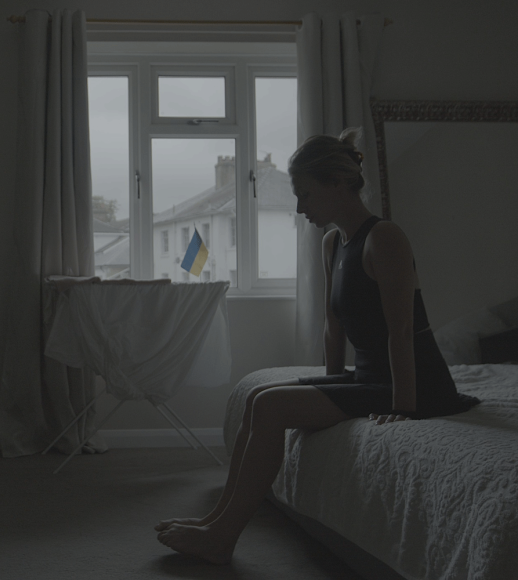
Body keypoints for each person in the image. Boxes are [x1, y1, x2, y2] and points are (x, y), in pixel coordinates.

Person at [154, 128, 480, 564]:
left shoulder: (385, 237)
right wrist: (326, 392)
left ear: (338, 184)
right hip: (368, 377)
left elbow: (401, 331)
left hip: (416, 383)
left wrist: (404, 408)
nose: (298, 208)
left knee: (271, 407)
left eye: (305, 194)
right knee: (259, 397)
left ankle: (223, 537)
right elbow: (333, 327)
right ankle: (216, 519)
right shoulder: (332, 243)